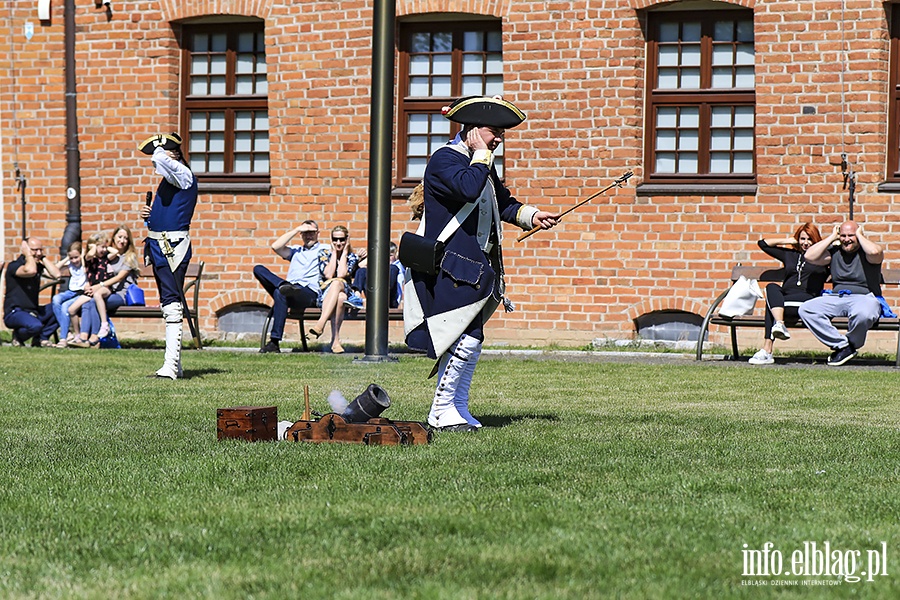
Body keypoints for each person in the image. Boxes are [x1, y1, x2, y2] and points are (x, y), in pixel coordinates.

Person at [404, 96, 560, 432]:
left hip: (472, 267)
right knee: (464, 336)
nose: (499, 139)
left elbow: (501, 201)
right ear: (474, 131)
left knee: (471, 338)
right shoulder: (447, 160)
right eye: (494, 132)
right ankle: (440, 411)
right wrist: (482, 154)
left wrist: (531, 215)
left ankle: (457, 406)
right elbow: (469, 189)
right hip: (450, 265)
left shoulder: (480, 161)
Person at [138, 132, 198, 378]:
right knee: (168, 303)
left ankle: (170, 367)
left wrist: (161, 149)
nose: (159, 158)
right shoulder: (170, 178)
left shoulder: (183, 174)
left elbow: (162, 161)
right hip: (159, 246)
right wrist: (149, 217)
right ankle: (176, 365)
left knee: (172, 305)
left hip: (172, 247)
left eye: (166, 152)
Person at [799, 221, 884, 366]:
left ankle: (850, 346)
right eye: (843, 235)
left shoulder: (868, 253)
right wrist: (832, 237)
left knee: (864, 314)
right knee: (806, 309)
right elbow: (809, 256)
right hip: (836, 297)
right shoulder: (834, 252)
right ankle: (843, 346)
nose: (846, 239)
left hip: (864, 298)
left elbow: (875, 252)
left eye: (851, 235)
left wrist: (859, 235)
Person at [748, 223, 829, 365]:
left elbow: (837, 246)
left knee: (771, 305)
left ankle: (767, 350)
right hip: (785, 302)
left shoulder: (823, 258)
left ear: (816, 240)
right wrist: (790, 240)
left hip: (807, 301)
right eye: (802, 239)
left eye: (809, 239)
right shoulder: (790, 255)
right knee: (771, 288)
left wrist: (821, 244)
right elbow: (763, 244)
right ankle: (779, 324)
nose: (805, 243)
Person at [253, 220, 324, 353]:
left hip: (307, 292)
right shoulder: (296, 251)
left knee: (281, 293)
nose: (308, 236)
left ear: (318, 233)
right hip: (289, 289)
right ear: (300, 235)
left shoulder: (324, 249)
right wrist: (297, 229)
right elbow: (276, 246)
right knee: (258, 269)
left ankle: (274, 342)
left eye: (312, 233)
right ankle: (282, 285)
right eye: (305, 233)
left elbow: (345, 253)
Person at [72, 225, 141, 348]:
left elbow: (119, 277)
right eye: (119, 237)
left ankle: (95, 337)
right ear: (114, 238)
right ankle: (84, 337)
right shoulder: (108, 256)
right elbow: (93, 270)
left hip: (121, 294)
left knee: (93, 301)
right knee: (89, 301)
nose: (122, 241)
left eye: (125, 238)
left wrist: (99, 286)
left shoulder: (129, 257)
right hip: (105, 292)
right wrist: (89, 285)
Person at [308, 225, 361, 354]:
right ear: (331, 239)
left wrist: (344, 253)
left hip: (344, 289)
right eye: (335, 239)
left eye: (342, 240)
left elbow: (341, 273)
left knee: (338, 284)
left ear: (347, 240)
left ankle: (320, 324)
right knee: (340, 297)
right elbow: (328, 275)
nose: (338, 243)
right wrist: (333, 253)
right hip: (325, 295)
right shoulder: (323, 254)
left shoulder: (351, 257)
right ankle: (335, 341)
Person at [3, 238, 61, 346]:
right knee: (35, 326)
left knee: (59, 308)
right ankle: (18, 336)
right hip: (15, 312)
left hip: (33, 311)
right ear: (25, 250)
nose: (38, 253)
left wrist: (42, 258)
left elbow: (56, 275)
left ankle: (41, 338)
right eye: (35, 250)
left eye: (40, 250)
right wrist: (29, 255)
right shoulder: (14, 266)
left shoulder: (38, 266)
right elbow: (30, 271)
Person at [68, 232, 111, 347]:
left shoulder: (106, 258)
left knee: (91, 302)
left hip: (102, 289)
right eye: (101, 247)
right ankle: (78, 335)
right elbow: (89, 255)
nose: (103, 250)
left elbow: (115, 252)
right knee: (71, 309)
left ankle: (91, 334)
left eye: (104, 247)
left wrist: (104, 246)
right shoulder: (88, 258)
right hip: (91, 291)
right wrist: (93, 247)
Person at [51, 241, 87, 347]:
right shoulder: (70, 263)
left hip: (82, 293)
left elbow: (85, 270)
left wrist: (83, 255)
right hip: (71, 292)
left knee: (65, 307)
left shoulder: (85, 262)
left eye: (76, 257)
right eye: (72, 258)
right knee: (56, 299)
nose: (74, 260)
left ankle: (63, 339)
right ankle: (67, 333)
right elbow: (56, 268)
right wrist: (67, 258)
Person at [347, 241, 401, 309]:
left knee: (391, 268)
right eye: (383, 256)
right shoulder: (376, 266)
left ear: (396, 256)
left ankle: (381, 295)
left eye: (390, 255)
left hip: (390, 298)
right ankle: (356, 297)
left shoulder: (397, 265)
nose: (386, 258)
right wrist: (370, 257)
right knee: (362, 271)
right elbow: (358, 269)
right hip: (374, 294)